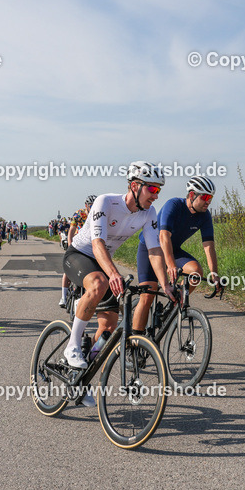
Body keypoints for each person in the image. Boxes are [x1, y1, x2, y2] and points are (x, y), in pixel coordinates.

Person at [61, 162, 174, 405]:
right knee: (100, 282)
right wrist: (113, 274)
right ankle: (71, 346)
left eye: (158, 191)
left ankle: (79, 378)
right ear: (135, 186)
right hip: (80, 255)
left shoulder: (148, 213)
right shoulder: (105, 202)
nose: (156, 196)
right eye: (152, 190)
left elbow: (154, 250)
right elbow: (97, 244)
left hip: (103, 262)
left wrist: (164, 284)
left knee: (110, 327)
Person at [132, 176, 223, 333]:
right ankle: (134, 343)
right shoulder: (173, 205)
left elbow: (209, 247)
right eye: (206, 197)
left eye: (211, 198)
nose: (209, 202)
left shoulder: (205, 215)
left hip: (172, 249)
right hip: (150, 248)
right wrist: (171, 265)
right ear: (192, 195)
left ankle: (172, 304)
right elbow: (163, 237)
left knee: (195, 272)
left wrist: (214, 275)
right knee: (147, 296)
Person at [59, 194, 97, 307]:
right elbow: (71, 231)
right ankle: (63, 297)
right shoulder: (79, 214)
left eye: (95, 205)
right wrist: (71, 247)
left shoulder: (98, 214)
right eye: (91, 205)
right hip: (77, 243)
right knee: (67, 271)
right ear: (86, 205)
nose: (93, 207)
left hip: (90, 245)